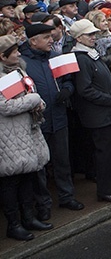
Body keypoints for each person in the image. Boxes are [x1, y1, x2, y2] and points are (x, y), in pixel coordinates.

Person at [20, 23, 83, 220]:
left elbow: (68, 81)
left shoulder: (56, 58)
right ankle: (43, 204)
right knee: (40, 166)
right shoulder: (22, 64)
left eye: (51, 36)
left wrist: (67, 90)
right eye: (46, 37)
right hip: (37, 123)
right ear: (33, 41)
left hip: (59, 118)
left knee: (62, 161)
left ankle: (67, 196)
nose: (51, 40)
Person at [0, 35, 52, 241]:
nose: (19, 54)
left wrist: (39, 104)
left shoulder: (19, 71)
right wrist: (34, 100)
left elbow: (33, 94)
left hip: (27, 132)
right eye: (14, 52)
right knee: (11, 182)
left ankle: (29, 218)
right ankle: (14, 224)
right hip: (8, 136)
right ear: (3, 57)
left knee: (28, 178)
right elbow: (5, 106)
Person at [69, 20, 111, 204]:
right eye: (89, 35)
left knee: (109, 150)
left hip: (103, 112)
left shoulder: (90, 55)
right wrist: (109, 100)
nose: (94, 37)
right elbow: (84, 89)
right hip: (96, 114)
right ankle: (107, 190)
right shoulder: (81, 57)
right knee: (104, 152)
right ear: (78, 38)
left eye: (94, 34)